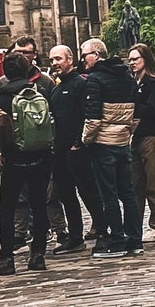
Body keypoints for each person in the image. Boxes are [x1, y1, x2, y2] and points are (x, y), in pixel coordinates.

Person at [0, 51, 54, 275]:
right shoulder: (42, 91)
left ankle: (7, 258)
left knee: (7, 208)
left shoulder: (1, 96)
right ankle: (38, 254)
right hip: (40, 156)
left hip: (13, 160)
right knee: (39, 205)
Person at [81, 37, 142, 259]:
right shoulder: (127, 76)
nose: (82, 58)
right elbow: (136, 115)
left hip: (103, 144)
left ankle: (117, 239)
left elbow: (93, 119)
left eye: (84, 53)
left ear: (96, 55)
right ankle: (135, 239)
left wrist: (85, 140)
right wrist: (125, 133)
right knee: (128, 193)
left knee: (108, 194)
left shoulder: (95, 80)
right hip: (122, 142)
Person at [47, 44, 101, 251]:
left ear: (70, 59)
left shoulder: (81, 84)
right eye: (52, 60)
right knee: (66, 194)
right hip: (60, 151)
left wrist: (79, 142)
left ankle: (102, 229)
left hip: (79, 150)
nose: (54, 63)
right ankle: (75, 236)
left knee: (89, 192)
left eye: (58, 59)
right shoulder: (56, 89)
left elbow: (88, 114)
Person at [128, 43, 155, 238]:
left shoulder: (152, 82)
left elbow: (152, 109)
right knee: (136, 183)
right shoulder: (135, 82)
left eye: (136, 59)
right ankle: (135, 226)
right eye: (130, 59)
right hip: (137, 136)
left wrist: (132, 109)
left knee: (154, 182)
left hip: (152, 136)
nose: (132, 63)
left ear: (145, 59)